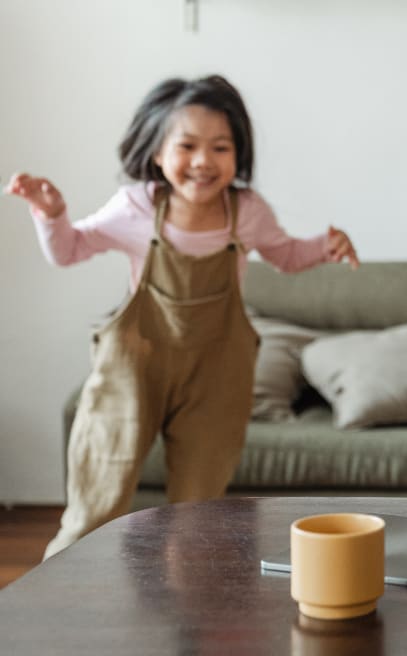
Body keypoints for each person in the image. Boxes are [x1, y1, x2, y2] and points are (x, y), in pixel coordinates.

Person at [4, 74, 360, 557]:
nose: (202, 161)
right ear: (156, 152)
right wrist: (51, 215)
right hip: (133, 370)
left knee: (197, 517)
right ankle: (56, 610)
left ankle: (186, 622)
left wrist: (325, 246)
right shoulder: (135, 207)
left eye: (220, 147)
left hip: (215, 377)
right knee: (94, 506)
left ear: (238, 155)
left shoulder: (247, 212)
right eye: (187, 145)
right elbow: (69, 250)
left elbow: (286, 255)